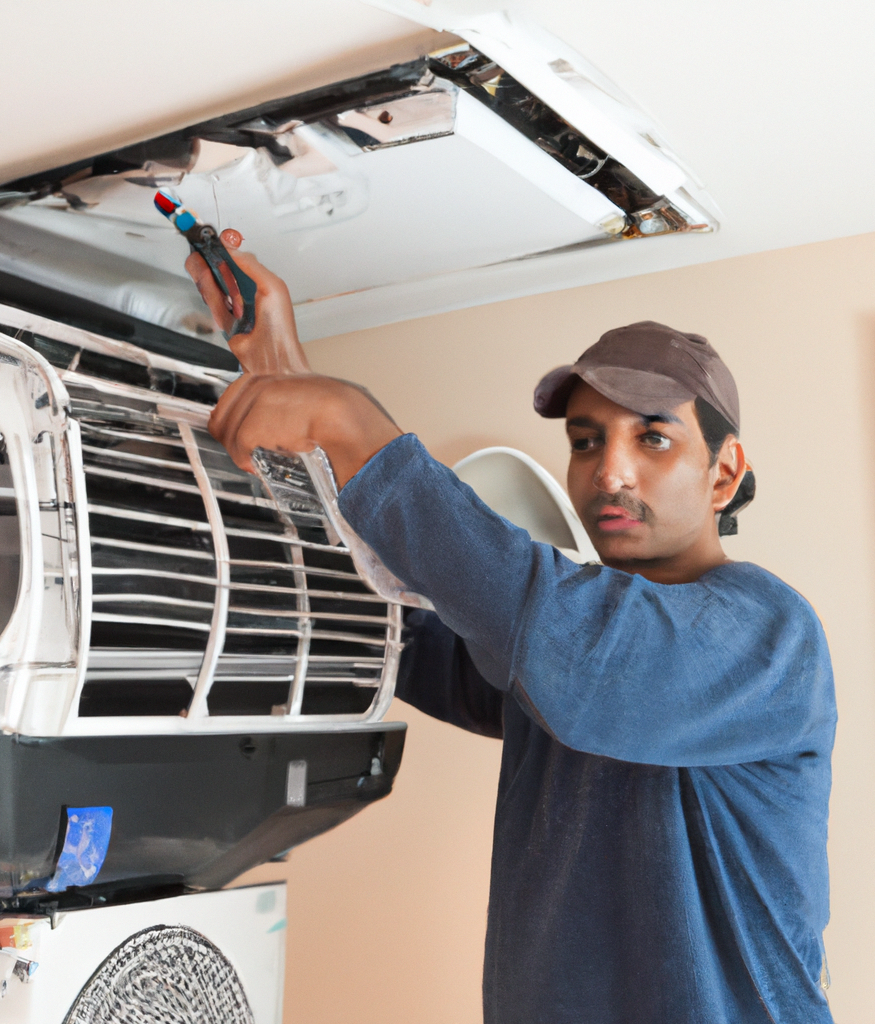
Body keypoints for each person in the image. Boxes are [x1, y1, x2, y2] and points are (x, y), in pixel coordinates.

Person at [188, 235, 837, 1023]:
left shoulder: (768, 638)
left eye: (653, 438)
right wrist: (287, 381)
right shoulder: (558, 643)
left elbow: (582, 654)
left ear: (724, 474)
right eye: (587, 440)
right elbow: (392, 620)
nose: (610, 471)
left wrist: (355, 424)